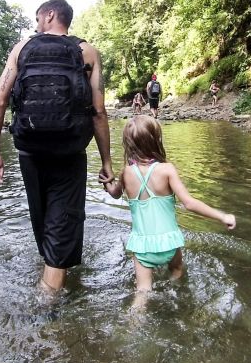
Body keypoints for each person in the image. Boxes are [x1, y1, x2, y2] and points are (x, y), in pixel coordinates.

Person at [0, 0, 115, 292]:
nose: (36, 26)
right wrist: (106, 162)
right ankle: (50, 311)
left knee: (44, 225)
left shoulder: (21, 49)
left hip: (30, 152)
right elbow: (98, 112)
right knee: (61, 229)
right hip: (70, 153)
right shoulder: (87, 52)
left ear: (50, 15)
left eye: (37, 19)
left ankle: (49, 289)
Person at [100, 115, 235, 306]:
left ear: (129, 145)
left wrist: (107, 181)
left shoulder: (126, 172)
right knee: (177, 274)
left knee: (143, 292)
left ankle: (132, 325)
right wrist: (222, 216)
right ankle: (178, 302)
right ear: (156, 140)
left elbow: (114, 193)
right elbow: (189, 203)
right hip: (170, 243)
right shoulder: (167, 170)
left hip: (142, 247)